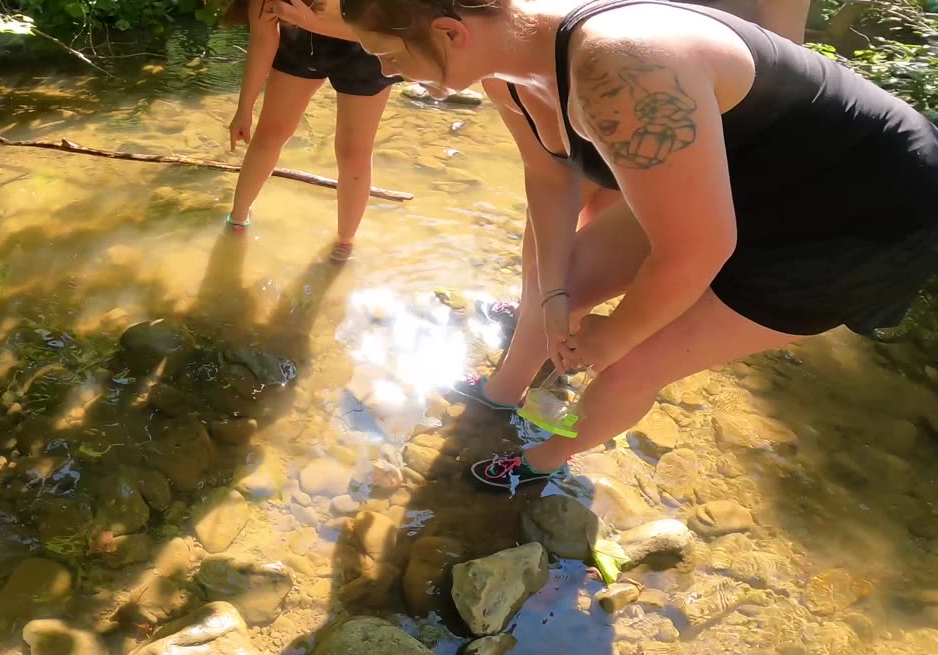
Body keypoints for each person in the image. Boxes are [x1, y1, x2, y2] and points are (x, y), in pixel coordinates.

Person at [340, 0, 938, 490]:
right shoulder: (509, 62)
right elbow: (550, 180)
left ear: (450, 31)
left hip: (860, 220)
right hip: (750, 180)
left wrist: (612, 335)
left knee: (629, 367)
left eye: (389, 54)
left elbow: (697, 249)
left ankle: (541, 462)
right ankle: (510, 395)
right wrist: (552, 298)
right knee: (570, 280)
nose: (389, 72)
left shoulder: (619, 63)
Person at [468, 0, 812, 376]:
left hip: (686, 119)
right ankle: (535, 316)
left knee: (603, 244)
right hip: (597, 82)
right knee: (551, 216)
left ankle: (556, 347)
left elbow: (782, 55)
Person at [222, 0, 399, 261]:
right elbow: (263, 41)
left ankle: (345, 240)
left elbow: (381, 35)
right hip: (303, 45)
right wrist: (244, 108)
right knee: (270, 133)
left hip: (366, 51)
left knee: (353, 152)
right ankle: (238, 217)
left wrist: (308, 20)